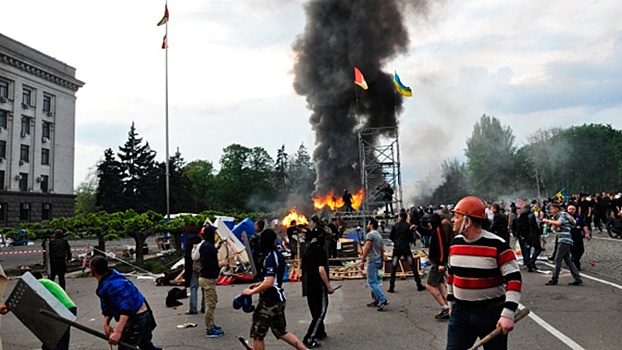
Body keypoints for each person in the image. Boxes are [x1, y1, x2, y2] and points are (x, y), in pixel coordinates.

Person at [447, 196, 522, 350]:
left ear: (467, 222)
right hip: (460, 314)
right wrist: (451, 304)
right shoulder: (455, 244)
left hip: (491, 315)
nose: (452, 220)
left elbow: (514, 280)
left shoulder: (498, 245)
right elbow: (451, 276)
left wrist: (507, 314)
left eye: (456, 216)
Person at [240, 229, 307, 350]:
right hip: (279, 299)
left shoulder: (270, 258)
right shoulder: (278, 255)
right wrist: (259, 284)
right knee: (281, 331)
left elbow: (270, 282)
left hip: (269, 301)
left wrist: (251, 292)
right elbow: (272, 280)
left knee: (258, 334)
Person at [89, 255, 161, 350]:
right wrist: (106, 324)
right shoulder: (108, 281)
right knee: (145, 345)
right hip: (140, 316)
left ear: (92, 270)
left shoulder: (115, 284)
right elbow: (108, 307)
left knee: (125, 348)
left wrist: (118, 332)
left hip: (138, 317)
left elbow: (125, 309)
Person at [0, 271, 77, 350]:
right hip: (69, 308)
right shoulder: (48, 283)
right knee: (59, 335)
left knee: (58, 337)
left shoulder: (41, 282)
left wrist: (7, 306)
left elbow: (24, 294)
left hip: (64, 309)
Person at [301, 226, 336, 348]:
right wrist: (328, 286)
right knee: (320, 312)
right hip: (318, 286)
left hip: (309, 285)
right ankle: (309, 338)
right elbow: (321, 270)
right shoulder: (320, 251)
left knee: (314, 310)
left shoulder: (307, 250)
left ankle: (320, 332)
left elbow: (303, 269)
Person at [195, 225, 228, 338]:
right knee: (210, 304)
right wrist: (220, 264)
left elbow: (209, 256)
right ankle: (209, 328)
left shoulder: (207, 245)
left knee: (213, 301)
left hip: (208, 278)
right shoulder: (207, 247)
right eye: (214, 234)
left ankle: (212, 324)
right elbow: (208, 264)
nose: (215, 236)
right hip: (207, 278)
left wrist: (217, 247)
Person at [542, 203, 583, 286]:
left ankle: (554, 279)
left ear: (557, 209)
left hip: (564, 240)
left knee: (558, 260)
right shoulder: (559, 216)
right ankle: (577, 278)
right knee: (568, 260)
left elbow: (559, 223)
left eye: (552, 209)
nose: (551, 211)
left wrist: (547, 220)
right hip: (565, 239)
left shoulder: (562, 215)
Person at [388, 212, 425, 293]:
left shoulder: (395, 226)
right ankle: (419, 285)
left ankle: (391, 287)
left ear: (400, 217)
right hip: (405, 248)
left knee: (394, 266)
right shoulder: (408, 226)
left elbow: (391, 236)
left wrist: (396, 241)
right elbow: (412, 238)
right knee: (413, 266)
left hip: (397, 248)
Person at [425, 213, 452, 321]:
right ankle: (449, 306)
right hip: (437, 263)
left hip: (437, 264)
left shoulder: (438, 232)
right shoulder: (436, 231)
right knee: (440, 285)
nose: (428, 224)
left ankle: (444, 307)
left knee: (430, 285)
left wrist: (441, 263)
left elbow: (442, 248)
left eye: (429, 222)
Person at [360, 218, 388, 311]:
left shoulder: (370, 235)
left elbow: (367, 247)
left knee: (372, 282)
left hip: (372, 260)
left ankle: (383, 299)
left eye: (368, 224)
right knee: (375, 281)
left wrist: (363, 260)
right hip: (378, 260)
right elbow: (381, 248)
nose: (367, 225)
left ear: (371, 225)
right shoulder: (378, 235)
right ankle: (375, 300)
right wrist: (382, 259)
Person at [515, 204, 543, 272]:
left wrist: (518, 235)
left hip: (525, 236)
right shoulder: (531, 215)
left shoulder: (521, 216)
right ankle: (532, 261)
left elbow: (518, 226)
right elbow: (534, 226)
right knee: (538, 249)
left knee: (527, 250)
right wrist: (539, 234)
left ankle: (529, 266)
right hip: (532, 235)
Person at [567, 205, 591, 271]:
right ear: (567, 210)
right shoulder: (565, 217)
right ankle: (576, 266)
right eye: (570, 209)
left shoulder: (578, 217)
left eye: (573, 209)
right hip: (569, 237)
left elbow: (584, 225)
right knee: (573, 251)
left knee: (581, 250)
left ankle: (574, 260)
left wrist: (587, 233)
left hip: (578, 236)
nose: (571, 210)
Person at [187, 235, 205, 314]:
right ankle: (204, 306)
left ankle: (193, 308)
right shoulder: (206, 245)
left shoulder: (197, 247)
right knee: (204, 288)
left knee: (194, 288)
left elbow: (194, 257)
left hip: (196, 268)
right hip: (204, 268)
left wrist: (194, 249)